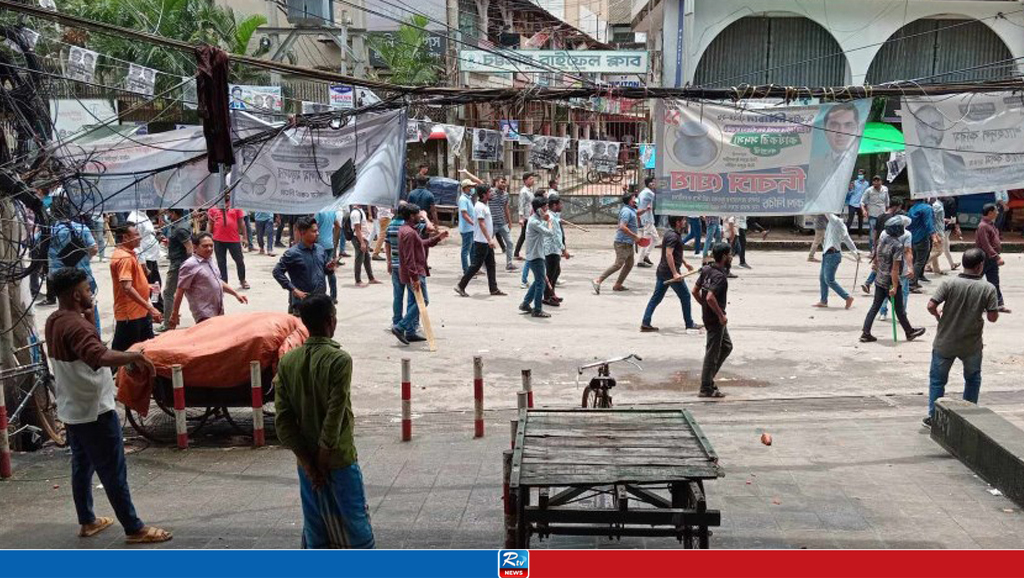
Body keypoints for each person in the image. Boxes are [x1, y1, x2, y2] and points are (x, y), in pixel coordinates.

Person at [45, 267, 172, 545]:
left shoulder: (56, 320)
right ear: (77, 294)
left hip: (73, 408)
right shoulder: (74, 325)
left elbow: (85, 349)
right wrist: (133, 357)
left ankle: (88, 521)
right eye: (88, 290)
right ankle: (134, 527)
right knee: (112, 471)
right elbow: (98, 355)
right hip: (94, 411)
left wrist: (89, 317)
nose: (92, 293)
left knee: (82, 465)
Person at [274, 294, 375, 549]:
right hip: (338, 458)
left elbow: (283, 420)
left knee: (315, 523)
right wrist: (322, 458)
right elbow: (335, 413)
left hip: (305, 460)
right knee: (355, 525)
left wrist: (308, 464)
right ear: (331, 321)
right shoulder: (339, 360)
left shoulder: (287, 361)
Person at [923, 248, 1000, 427]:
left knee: (937, 381)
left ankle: (934, 418)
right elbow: (992, 318)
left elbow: (930, 305)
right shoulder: (988, 288)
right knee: (972, 379)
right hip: (971, 345)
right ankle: (969, 415)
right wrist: (992, 309)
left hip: (945, 342)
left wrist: (937, 315)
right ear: (980, 266)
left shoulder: (948, 283)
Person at [860, 216, 927, 343]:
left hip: (880, 278)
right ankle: (909, 332)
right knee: (900, 309)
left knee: (875, 306)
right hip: (890, 281)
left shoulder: (882, 241)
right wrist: (895, 287)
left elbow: (877, 259)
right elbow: (895, 269)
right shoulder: (897, 246)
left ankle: (865, 332)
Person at [393, 204, 448, 345]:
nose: (420, 216)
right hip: (415, 273)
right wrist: (415, 277)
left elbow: (421, 244)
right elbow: (409, 258)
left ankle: (410, 332)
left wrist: (437, 238)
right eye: (418, 214)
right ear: (412, 216)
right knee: (423, 301)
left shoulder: (408, 230)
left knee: (413, 301)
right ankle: (400, 327)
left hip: (413, 273)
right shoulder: (409, 233)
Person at [167, 233, 248, 328]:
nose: (209, 249)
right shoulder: (189, 265)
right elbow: (180, 291)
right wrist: (174, 314)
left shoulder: (210, 260)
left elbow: (217, 281)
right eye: (205, 246)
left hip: (218, 310)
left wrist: (235, 294)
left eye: (211, 246)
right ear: (195, 247)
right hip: (204, 314)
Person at [45, 196, 99, 332]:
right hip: (84, 277)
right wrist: (84, 258)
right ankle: (94, 336)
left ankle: (69, 335)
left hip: (61, 280)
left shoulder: (48, 231)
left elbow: (35, 247)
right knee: (89, 308)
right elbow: (94, 248)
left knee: (66, 311)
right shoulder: (81, 228)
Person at [641, 216, 700, 332]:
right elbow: (669, 254)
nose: (685, 222)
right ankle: (689, 323)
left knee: (656, 298)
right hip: (669, 273)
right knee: (685, 296)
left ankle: (645, 322)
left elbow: (676, 253)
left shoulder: (671, 234)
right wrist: (675, 273)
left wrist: (685, 263)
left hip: (663, 271)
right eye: (683, 220)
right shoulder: (673, 236)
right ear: (678, 223)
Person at [110, 223, 162, 351]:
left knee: (147, 349)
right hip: (131, 315)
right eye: (136, 234)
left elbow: (131, 284)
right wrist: (151, 308)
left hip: (140, 313)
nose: (140, 237)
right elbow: (126, 287)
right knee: (125, 354)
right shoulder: (125, 258)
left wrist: (146, 286)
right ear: (125, 237)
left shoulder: (129, 254)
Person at [273, 217, 338, 315]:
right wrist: (294, 290)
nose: (317, 233)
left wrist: (330, 268)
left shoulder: (320, 250)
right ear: (303, 232)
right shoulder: (292, 253)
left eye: (317, 231)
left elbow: (325, 270)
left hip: (319, 302)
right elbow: (277, 272)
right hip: (302, 305)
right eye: (314, 231)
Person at [692, 242, 732, 398]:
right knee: (712, 352)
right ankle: (706, 387)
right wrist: (720, 315)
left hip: (710, 316)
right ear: (723, 257)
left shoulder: (707, 270)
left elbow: (695, 291)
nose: (731, 257)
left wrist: (705, 306)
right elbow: (709, 297)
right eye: (729, 255)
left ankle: (708, 378)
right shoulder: (720, 277)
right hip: (716, 319)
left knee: (727, 346)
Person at [455, 185, 505, 298]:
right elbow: (481, 224)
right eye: (490, 192)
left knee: (491, 265)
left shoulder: (484, 205)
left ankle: (494, 288)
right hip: (482, 241)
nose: (492, 193)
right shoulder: (479, 207)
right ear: (484, 195)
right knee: (475, 265)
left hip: (486, 241)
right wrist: (489, 239)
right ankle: (461, 286)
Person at [592, 192, 640, 294]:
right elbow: (622, 226)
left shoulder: (631, 210)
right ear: (630, 201)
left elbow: (637, 213)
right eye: (634, 198)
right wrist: (635, 236)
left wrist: (646, 210)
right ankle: (598, 280)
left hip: (628, 243)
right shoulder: (626, 212)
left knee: (629, 264)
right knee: (618, 264)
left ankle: (618, 284)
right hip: (623, 243)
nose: (636, 200)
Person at [812, 213, 860, 310]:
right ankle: (823, 301)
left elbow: (826, 210)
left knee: (829, 280)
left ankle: (847, 297)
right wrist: (855, 253)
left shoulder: (835, 221)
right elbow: (848, 241)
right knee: (822, 278)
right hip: (828, 254)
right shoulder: (841, 225)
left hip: (832, 255)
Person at [520, 197, 557, 318]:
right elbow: (549, 233)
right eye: (544, 207)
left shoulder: (536, 219)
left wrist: (546, 220)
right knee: (541, 283)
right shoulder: (534, 222)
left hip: (536, 254)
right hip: (536, 256)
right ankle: (537, 309)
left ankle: (526, 303)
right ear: (537, 209)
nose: (546, 209)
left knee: (538, 281)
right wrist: (549, 221)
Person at [206, 193, 249, 290]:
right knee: (221, 262)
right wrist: (207, 237)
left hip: (234, 239)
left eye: (228, 193)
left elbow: (242, 223)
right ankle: (224, 283)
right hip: (218, 240)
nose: (226, 195)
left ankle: (242, 280)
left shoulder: (235, 206)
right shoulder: (213, 208)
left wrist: (245, 237)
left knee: (239, 261)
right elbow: (210, 223)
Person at [160, 208, 192, 331]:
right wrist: (169, 242)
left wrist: (188, 265)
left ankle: (168, 324)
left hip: (178, 265)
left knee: (168, 293)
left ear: (174, 213)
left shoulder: (180, 229)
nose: (168, 216)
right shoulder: (180, 225)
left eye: (169, 213)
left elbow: (189, 248)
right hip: (178, 262)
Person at [976, 203, 1011, 313]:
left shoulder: (991, 224)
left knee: (994, 282)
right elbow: (985, 244)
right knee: (975, 282)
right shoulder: (983, 226)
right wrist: (996, 257)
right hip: (984, 259)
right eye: (996, 211)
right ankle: (969, 303)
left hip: (991, 260)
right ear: (990, 213)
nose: (997, 213)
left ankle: (999, 304)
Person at [128, 210, 163, 312]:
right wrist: (143, 264)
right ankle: (148, 310)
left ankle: (158, 308)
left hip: (152, 256)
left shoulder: (144, 214)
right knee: (146, 286)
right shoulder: (134, 218)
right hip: (145, 258)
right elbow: (136, 245)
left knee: (156, 284)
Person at [542, 193, 570, 307]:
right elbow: (554, 235)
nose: (561, 205)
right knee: (551, 273)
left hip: (553, 249)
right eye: (560, 204)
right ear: (554, 205)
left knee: (556, 272)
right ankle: (548, 296)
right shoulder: (551, 218)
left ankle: (551, 294)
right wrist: (564, 250)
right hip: (551, 249)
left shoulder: (553, 216)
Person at [907, 198, 936, 291]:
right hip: (922, 237)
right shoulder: (927, 208)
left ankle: (913, 281)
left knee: (915, 260)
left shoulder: (912, 208)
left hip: (912, 237)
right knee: (920, 261)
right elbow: (929, 223)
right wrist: (933, 235)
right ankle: (912, 283)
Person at [488, 176, 516, 271]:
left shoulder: (506, 195)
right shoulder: (490, 192)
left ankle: (509, 263)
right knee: (487, 243)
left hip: (502, 223)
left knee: (510, 243)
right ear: (496, 182)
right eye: (501, 182)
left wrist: (509, 221)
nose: (504, 184)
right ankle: (485, 264)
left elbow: (506, 208)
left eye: (505, 182)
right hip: (491, 223)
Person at [314, 209, 340, 301]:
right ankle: (333, 296)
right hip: (330, 244)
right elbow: (338, 226)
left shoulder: (319, 213)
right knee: (330, 270)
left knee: (320, 271)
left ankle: (322, 295)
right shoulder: (332, 212)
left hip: (320, 245)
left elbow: (314, 228)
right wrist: (334, 239)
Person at [349, 204, 378, 286]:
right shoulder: (355, 213)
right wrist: (362, 242)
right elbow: (357, 229)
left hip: (363, 238)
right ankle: (358, 280)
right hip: (358, 239)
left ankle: (371, 278)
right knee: (359, 259)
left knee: (366, 259)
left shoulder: (360, 211)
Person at [859, 176, 889, 252]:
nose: (876, 183)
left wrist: (888, 212)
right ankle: (872, 249)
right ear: (873, 182)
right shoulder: (869, 191)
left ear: (881, 182)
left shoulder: (885, 189)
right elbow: (862, 202)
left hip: (882, 214)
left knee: (882, 232)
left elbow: (887, 202)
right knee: (872, 232)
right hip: (872, 214)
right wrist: (864, 210)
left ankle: (881, 249)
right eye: (874, 181)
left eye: (878, 181)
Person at [513, 173, 537, 260]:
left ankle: (517, 253)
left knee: (525, 235)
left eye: (533, 179)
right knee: (524, 235)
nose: (532, 180)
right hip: (526, 217)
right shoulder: (523, 192)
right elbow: (521, 205)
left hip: (531, 216)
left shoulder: (530, 191)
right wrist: (521, 218)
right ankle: (518, 253)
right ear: (525, 181)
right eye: (530, 179)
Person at [636, 177, 659, 267]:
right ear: (650, 184)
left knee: (656, 239)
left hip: (647, 218)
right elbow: (659, 199)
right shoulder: (649, 193)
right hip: (647, 219)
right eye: (654, 183)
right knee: (647, 239)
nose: (655, 184)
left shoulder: (643, 192)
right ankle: (641, 260)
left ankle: (646, 256)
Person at [456, 179, 476, 274]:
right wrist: (473, 223)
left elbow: (478, 184)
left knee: (472, 249)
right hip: (466, 229)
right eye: (470, 187)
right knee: (466, 250)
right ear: (465, 188)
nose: (472, 189)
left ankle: (472, 268)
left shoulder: (468, 197)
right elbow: (464, 214)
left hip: (470, 228)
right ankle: (466, 270)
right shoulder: (463, 199)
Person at [846, 169, 868, 234]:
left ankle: (860, 233)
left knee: (860, 219)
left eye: (861, 174)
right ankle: (846, 232)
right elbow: (850, 193)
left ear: (864, 175)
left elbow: (866, 194)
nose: (859, 176)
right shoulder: (854, 182)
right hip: (852, 203)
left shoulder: (866, 184)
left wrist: (866, 204)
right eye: (859, 174)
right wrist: (850, 189)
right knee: (850, 219)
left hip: (861, 204)